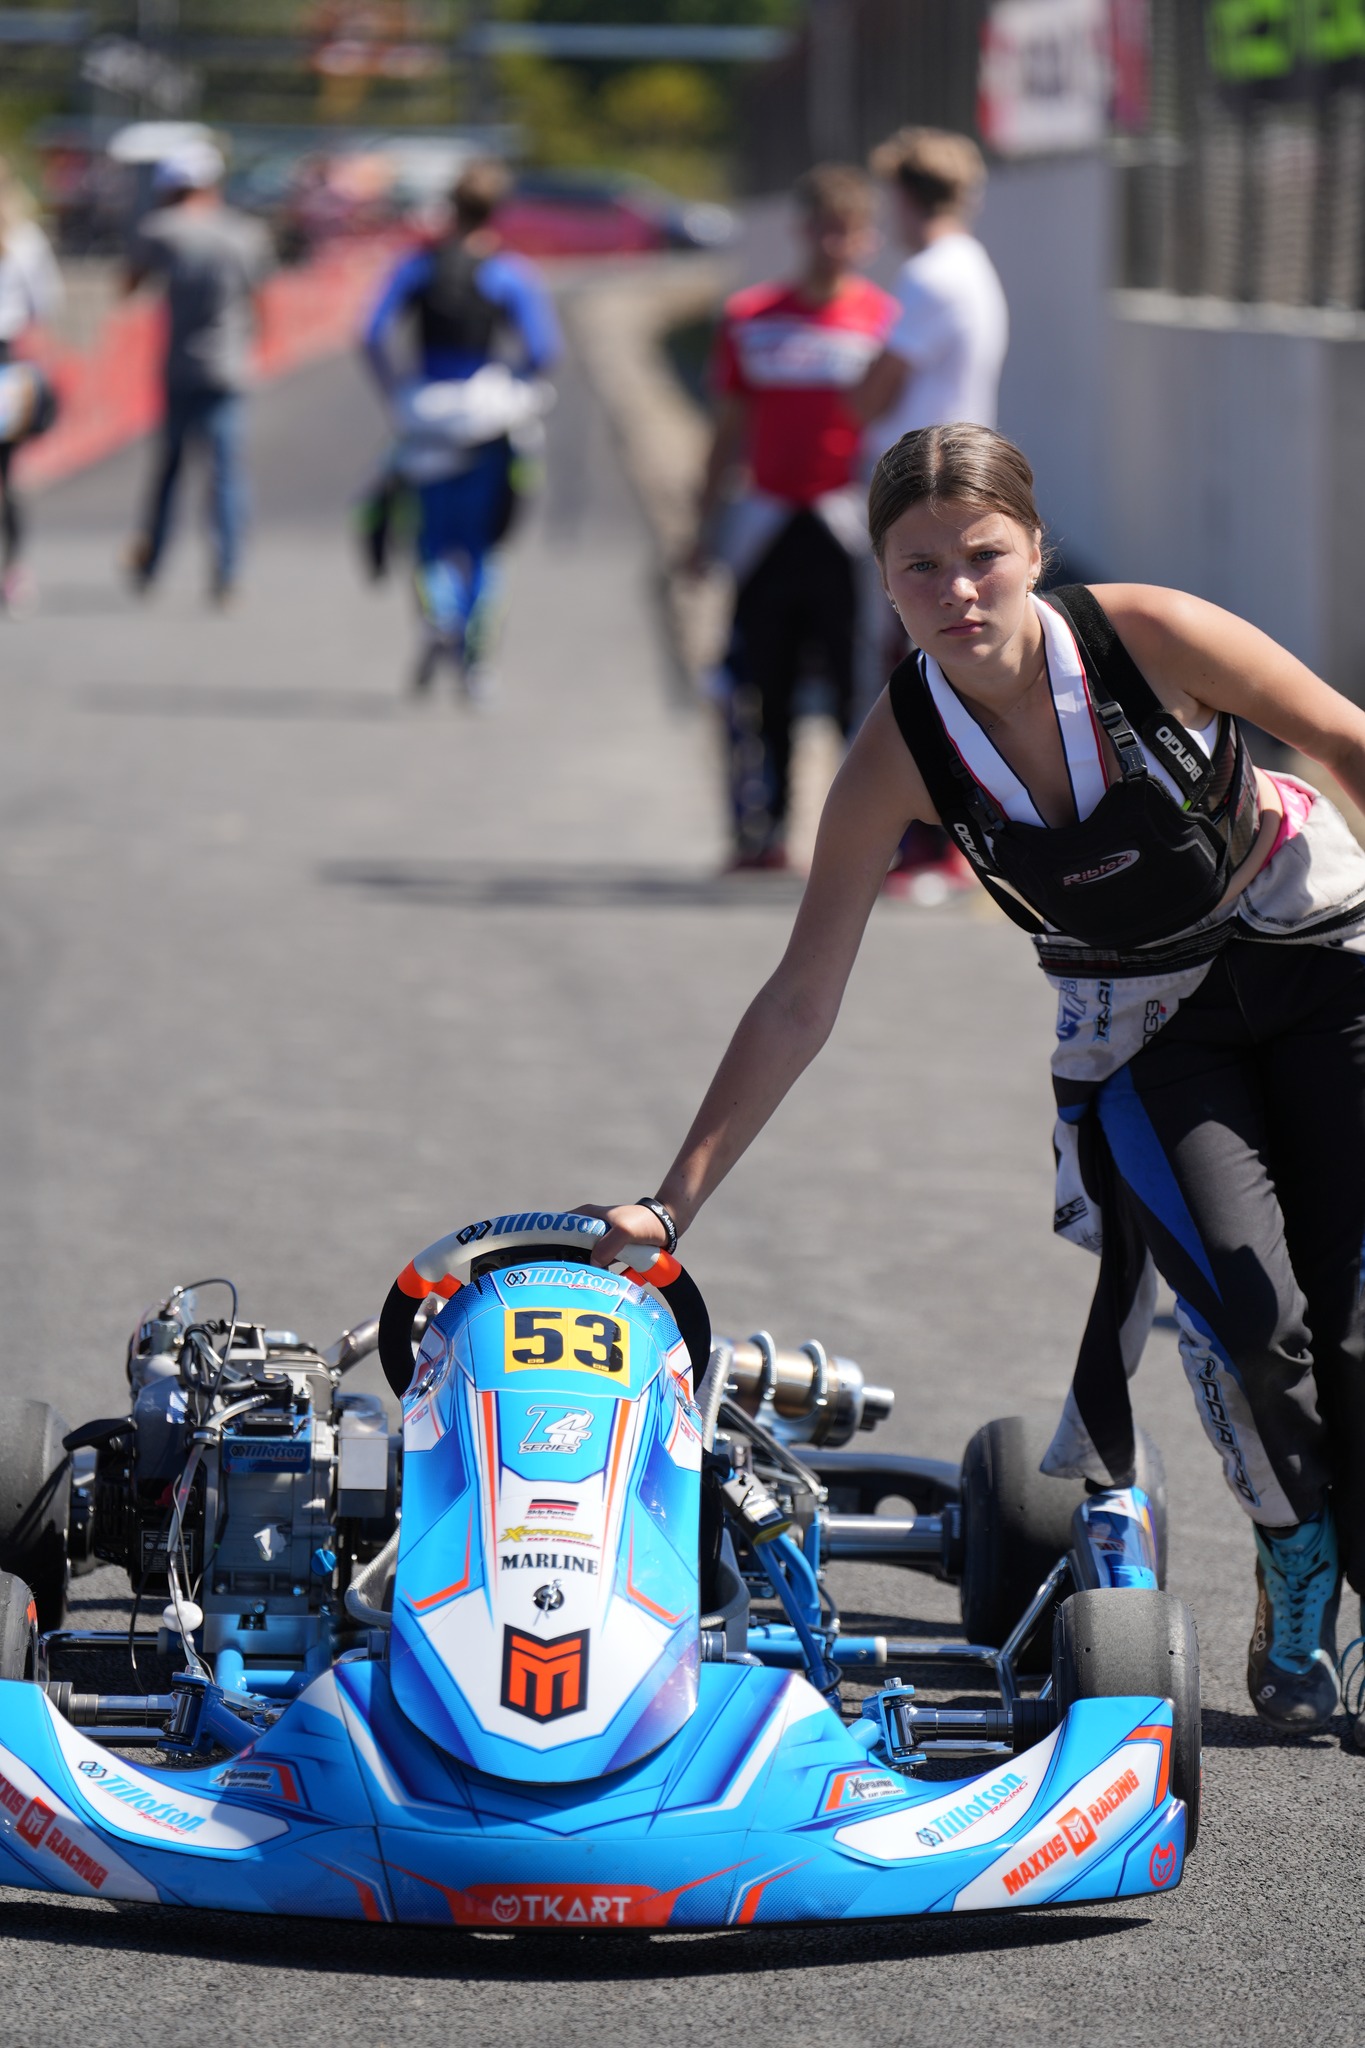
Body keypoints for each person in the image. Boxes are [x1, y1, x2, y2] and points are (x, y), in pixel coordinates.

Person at [587, 421, 1365, 1747]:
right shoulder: (901, 751)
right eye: (921, 567)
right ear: (883, 582)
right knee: (1247, 1313)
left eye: (984, 556)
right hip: (1146, 1025)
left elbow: (1348, 740)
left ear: (1035, 552)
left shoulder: (1147, 634)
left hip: (1313, 957)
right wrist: (672, 1207)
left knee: (1350, 1316)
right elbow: (800, 992)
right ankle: (1296, 1548)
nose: (959, 591)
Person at [694, 164, 898, 870]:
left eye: (849, 230)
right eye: (823, 227)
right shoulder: (750, 317)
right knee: (760, 683)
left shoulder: (882, 320)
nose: (834, 243)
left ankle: (861, 840)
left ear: (867, 239)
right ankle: (764, 831)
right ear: (801, 228)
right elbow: (725, 429)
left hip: (845, 523)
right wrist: (702, 526)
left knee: (853, 686)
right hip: (765, 522)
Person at [851, 127, 1009, 899]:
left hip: (924, 492)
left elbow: (873, 390)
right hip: (958, 482)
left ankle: (931, 848)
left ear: (905, 197)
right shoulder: (973, 269)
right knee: (946, 666)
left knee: (917, 671)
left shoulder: (929, 276)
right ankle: (942, 844)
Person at [361, 158, 561, 698]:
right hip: (487, 419)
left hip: (425, 413)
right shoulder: (509, 273)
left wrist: (395, 390)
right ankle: (478, 665)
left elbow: (371, 332)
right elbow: (544, 350)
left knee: (429, 540)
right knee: (485, 546)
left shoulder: (417, 266)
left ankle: (439, 616)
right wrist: (515, 384)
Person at [125, 139, 274, 605]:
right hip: (228, 367)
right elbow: (263, 304)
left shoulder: (161, 230)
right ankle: (228, 572)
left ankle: (151, 563)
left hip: (180, 368)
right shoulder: (245, 233)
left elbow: (129, 285)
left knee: (169, 470)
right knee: (226, 474)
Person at [0, 158, 62, 614]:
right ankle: (14, 570)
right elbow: (45, 305)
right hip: (8, 368)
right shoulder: (25, 240)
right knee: (7, 475)